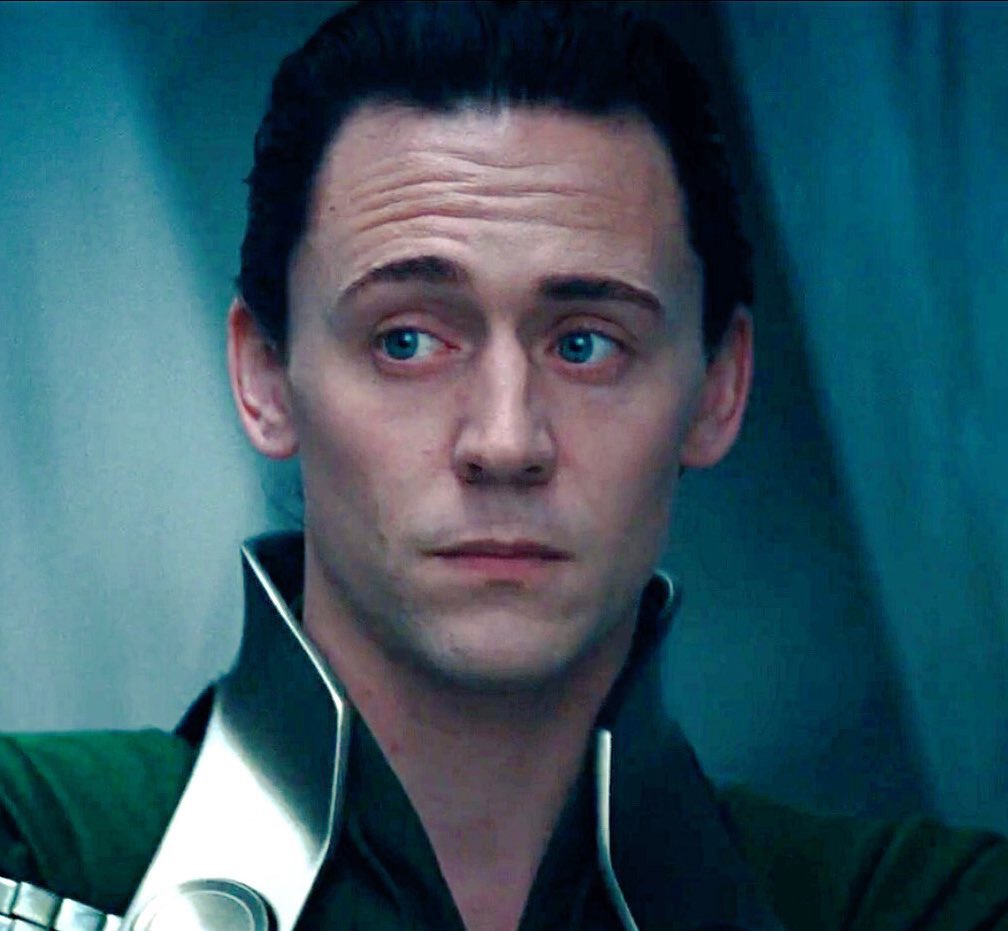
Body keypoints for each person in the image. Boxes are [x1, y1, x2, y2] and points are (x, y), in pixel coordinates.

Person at [0, 3, 1005, 930]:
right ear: (266, 375)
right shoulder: (37, 844)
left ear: (718, 386)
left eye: (585, 344)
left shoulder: (920, 907)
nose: (506, 442)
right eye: (406, 341)